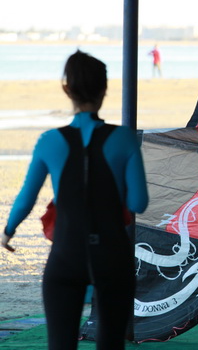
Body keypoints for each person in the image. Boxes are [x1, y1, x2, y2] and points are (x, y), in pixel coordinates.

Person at [1, 51, 149, 349]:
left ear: (66, 89)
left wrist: (8, 232)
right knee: (111, 344)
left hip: (66, 256)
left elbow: (26, 199)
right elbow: (138, 203)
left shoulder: (49, 141)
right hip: (112, 256)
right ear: (105, 90)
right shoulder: (124, 139)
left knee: (61, 344)